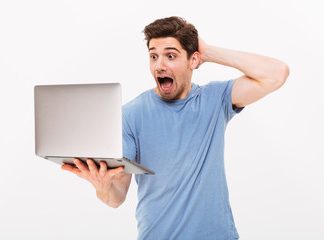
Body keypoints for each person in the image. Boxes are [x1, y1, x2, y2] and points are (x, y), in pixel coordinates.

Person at [61, 16, 290, 240]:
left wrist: (209, 53)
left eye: (170, 56)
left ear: (193, 61)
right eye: (153, 56)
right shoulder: (131, 114)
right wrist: (102, 187)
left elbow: (276, 74)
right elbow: (116, 197)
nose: (159, 65)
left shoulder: (215, 100)